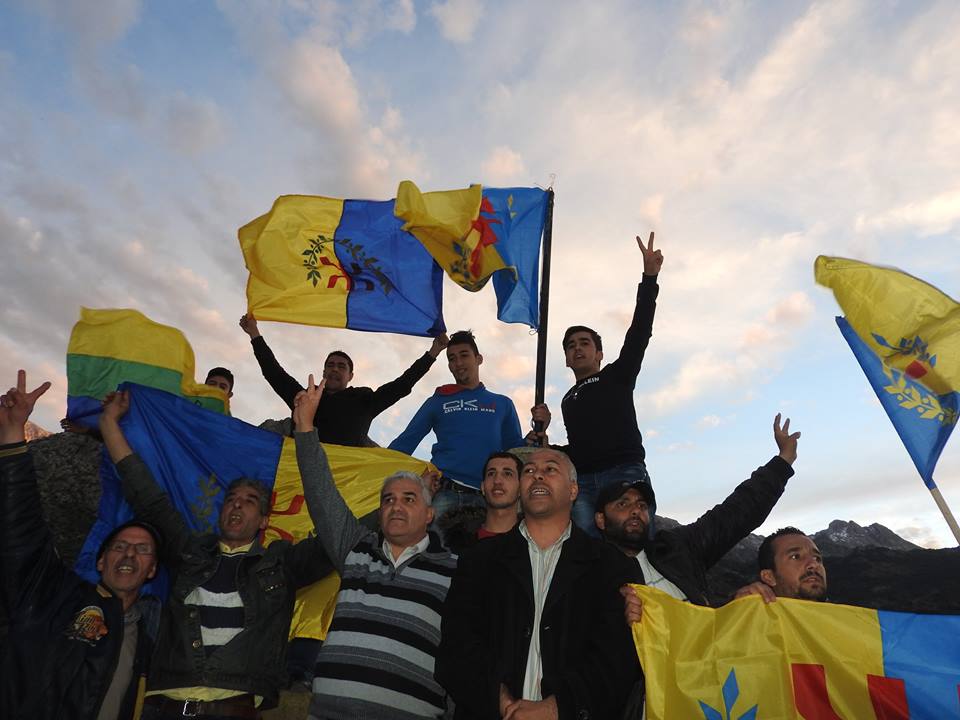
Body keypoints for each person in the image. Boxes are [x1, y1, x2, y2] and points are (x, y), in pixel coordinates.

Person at [98, 391, 334, 718]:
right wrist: (109, 423)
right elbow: (147, 495)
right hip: (164, 708)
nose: (237, 504)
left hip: (235, 709)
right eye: (231, 499)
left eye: (249, 501)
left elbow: (338, 536)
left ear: (264, 521)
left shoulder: (282, 565)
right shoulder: (188, 551)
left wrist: (400, 503)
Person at [292, 375, 457, 719]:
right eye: (388, 500)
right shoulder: (354, 550)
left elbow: (465, 656)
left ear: (429, 514)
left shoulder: (455, 571)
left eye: (409, 499)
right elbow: (322, 493)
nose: (396, 506)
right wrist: (306, 427)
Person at [1, 370, 160, 720]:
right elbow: (21, 532)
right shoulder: (53, 597)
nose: (129, 553)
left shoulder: (149, 643)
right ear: (100, 562)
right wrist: (12, 436)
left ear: (152, 571)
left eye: (142, 549)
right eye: (119, 546)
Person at [436, 447, 639, 720]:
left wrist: (559, 707)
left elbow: (617, 657)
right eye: (529, 470)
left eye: (550, 469)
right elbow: (457, 642)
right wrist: (500, 700)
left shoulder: (611, 565)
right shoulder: (479, 559)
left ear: (573, 490)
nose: (537, 475)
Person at [538, 232, 663, 537]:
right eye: (571, 346)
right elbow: (579, 448)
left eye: (585, 343)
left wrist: (649, 279)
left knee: (632, 546)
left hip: (624, 472)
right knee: (587, 552)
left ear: (599, 354)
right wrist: (546, 444)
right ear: (566, 359)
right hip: (583, 484)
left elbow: (639, 333)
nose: (577, 348)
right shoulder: (567, 399)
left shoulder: (616, 375)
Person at [239, 312, 447, 445]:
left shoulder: (364, 400)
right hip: (298, 474)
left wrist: (433, 353)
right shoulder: (304, 398)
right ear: (323, 372)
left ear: (350, 376)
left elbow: (402, 385)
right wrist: (254, 333)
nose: (335, 369)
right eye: (330, 365)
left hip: (347, 482)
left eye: (341, 366)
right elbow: (274, 373)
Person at [389, 329, 527, 520]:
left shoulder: (503, 403)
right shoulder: (438, 401)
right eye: (452, 358)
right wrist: (374, 463)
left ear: (478, 359)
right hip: (444, 493)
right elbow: (405, 442)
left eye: (464, 355)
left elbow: (515, 451)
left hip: (488, 499)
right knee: (433, 541)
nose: (458, 363)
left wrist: (536, 437)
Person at [439, 451, 523, 554]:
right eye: (491, 474)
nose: (497, 480)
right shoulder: (451, 542)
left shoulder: (533, 544)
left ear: (521, 488)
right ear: (483, 487)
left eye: (507, 474)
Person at [733, 527, 827, 602]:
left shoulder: (836, 615)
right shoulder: (756, 617)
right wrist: (739, 609)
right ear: (769, 577)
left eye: (817, 558)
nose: (814, 564)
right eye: (796, 556)